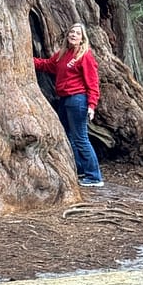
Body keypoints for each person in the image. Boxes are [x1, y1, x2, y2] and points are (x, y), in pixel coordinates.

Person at [34, 22, 104, 188]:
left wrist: (92, 105)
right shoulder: (63, 55)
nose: (73, 35)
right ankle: (79, 168)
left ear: (82, 38)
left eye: (77, 33)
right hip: (65, 100)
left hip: (78, 99)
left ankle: (94, 176)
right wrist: (27, 59)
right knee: (67, 136)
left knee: (81, 138)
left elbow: (93, 83)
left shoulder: (84, 56)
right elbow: (46, 65)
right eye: (71, 32)